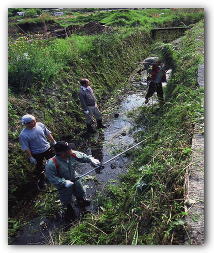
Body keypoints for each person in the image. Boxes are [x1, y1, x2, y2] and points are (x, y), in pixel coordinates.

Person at [45, 141, 101, 220]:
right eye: (68, 149)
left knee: (79, 190)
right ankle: (69, 209)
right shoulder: (51, 164)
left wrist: (90, 159)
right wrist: (64, 182)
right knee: (66, 197)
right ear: (62, 153)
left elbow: (81, 156)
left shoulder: (71, 154)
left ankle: (81, 201)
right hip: (63, 184)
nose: (71, 150)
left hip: (74, 177)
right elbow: (52, 178)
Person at [19, 114, 56, 190]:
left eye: (33, 121)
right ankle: (42, 181)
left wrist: (53, 141)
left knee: (54, 162)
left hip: (47, 148)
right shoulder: (23, 135)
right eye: (29, 123)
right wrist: (31, 157)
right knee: (40, 167)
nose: (32, 123)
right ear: (25, 124)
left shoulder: (40, 125)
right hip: (37, 153)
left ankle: (56, 174)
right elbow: (26, 147)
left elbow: (47, 133)